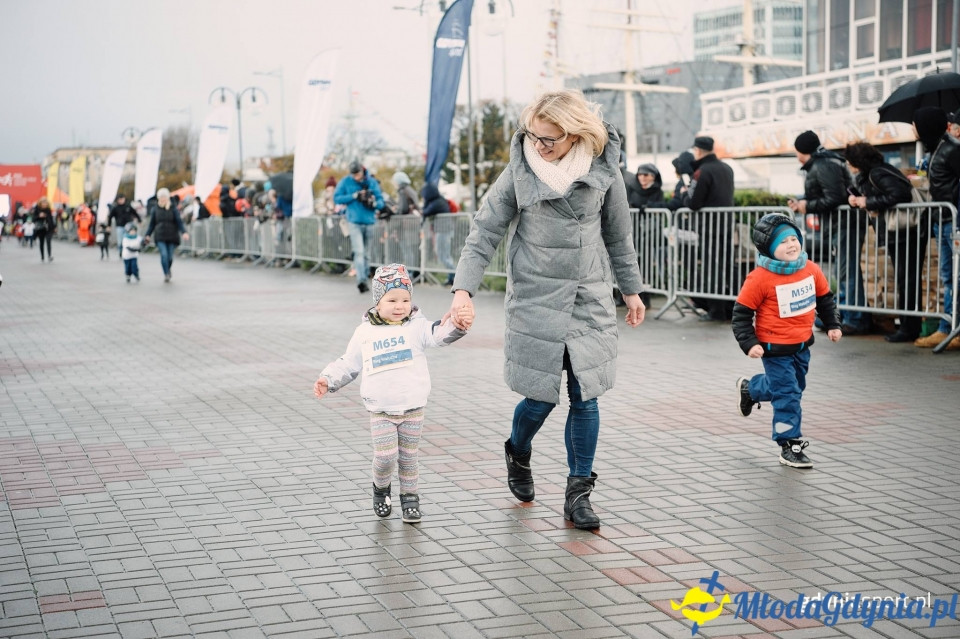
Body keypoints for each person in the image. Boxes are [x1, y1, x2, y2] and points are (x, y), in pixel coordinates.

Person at [447, 89, 646, 530]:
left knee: (585, 395)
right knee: (539, 397)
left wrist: (631, 289)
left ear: (575, 134)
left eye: (550, 139)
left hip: (588, 296)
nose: (539, 146)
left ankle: (579, 495)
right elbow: (484, 232)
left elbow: (618, 233)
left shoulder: (603, 168)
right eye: (533, 136)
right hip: (536, 296)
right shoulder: (519, 171)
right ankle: (518, 451)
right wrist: (464, 290)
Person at [313, 264, 474, 524]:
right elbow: (349, 362)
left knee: (409, 458)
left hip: (413, 407)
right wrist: (328, 379)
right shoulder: (364, 332)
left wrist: (458, 324)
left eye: (405, 300)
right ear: (378, 302)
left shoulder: (417, 326)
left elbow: (439, 334)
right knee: (386, 456)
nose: (400, 306)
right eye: (392, 300)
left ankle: (410, 498)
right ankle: (380, 488)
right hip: (381, 409)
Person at [733, 213, 842, 469]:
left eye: (794, 238)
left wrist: (833, 324)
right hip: (773, 350)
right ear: (770, 249)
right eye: (783, 242)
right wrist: (749, 343)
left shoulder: (810, 269)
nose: (791, 245)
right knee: (789, 395)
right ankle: (789, 444)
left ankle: (750, 389)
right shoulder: (759, 278)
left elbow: (825, 299)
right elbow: (741, 314)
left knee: (793, 388)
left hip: (802, 346)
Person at [788, 131, 868, 334]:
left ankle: (855, 318)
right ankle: (844, 315)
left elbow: (835, 197)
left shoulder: (824, 164)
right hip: (838, 224)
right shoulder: (823, 162)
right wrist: (803, 203)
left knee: (846, 272)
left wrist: (808, 206)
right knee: (842, 271)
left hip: (843, 224)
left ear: (801, 150)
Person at [844, 141, 922, 342]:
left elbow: (900, 194)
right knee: (905, 279)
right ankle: (908, 326)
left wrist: (867, 202)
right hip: (900, 232)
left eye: (850, 160)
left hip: (907, 232)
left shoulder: (878, 173)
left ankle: (909, 328)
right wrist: (856, 199)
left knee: (907, 280)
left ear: (858, 161)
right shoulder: (871, 174)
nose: (847, 164)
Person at [912, 108, 960, 350]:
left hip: (953, 222)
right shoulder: (936, 151)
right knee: (948, 276)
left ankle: (950, 329)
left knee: (954, 276)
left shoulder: (951, 150)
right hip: (942, 221)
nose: (913, 129)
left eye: (915, 124)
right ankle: (948, 327)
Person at [682, 136, 736, 321]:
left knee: (712, 269)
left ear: (697, 150)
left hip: (709, 228)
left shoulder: (702, 171)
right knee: (727, 267)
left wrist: (685, 196)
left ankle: (717, 311)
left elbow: (694, 202)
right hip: (727, 225)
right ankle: (732, 308)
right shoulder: (727, 168)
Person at [334, 160, 384, 294]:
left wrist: (374, 203)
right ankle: (361, 280)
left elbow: (381, 200)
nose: (356, 177)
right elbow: (337, 198)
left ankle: (365, 277)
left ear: (362, 170)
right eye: (353, 174)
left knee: (367, 253)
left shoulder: (371, 182)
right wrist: (353, 196)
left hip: (369, 221)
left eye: (358, 174)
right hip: (354, 221)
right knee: (359, 252)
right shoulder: (346, 182)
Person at [144, 188, 190, 283]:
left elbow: (179, 222)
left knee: (169, 257)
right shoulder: (155, 209)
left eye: (164, 197)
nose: (163, 199)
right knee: (164, 255)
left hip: (172, 235)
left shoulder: (173, 208)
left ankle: (168, 269)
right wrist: (147, 235)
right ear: (159, 198)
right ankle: (166, 273)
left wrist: (184, 232)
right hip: (160, 235)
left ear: (167, 197)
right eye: (161, 197)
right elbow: (152, 224)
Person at [420, 183, 455, 286]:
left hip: (443, 231)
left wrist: (425, 204)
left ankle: (455, 276)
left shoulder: (437, 202)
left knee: (443, 255)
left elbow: (426, 211)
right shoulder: (439, 200)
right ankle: (452, 277)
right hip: (443, 230)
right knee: (445, 255)